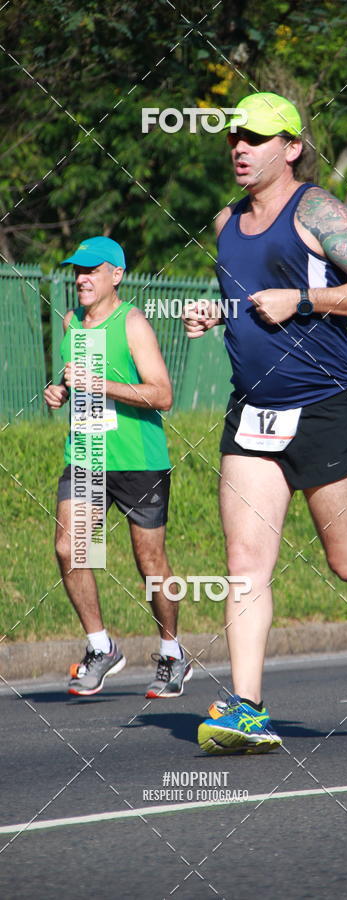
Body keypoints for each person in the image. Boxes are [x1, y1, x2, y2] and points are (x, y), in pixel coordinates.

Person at [183, 93, 347, 754]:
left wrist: (304, 298)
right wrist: (221, 314)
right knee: (245, 561)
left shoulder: (319, 212)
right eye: (233, 138)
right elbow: (250, 301)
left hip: (328, 407)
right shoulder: (223, 222)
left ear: (292, 147)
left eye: (256, 137)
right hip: (253, 414)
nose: (240, 148)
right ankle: (248, 707)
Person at [44, 235, 192, 698]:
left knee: (149, 562)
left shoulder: (132, 324)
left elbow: (162, 394)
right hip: (86, 454)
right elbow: (75, 380)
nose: (82, 279)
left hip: (138, 460)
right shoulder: (71, 323)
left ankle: (172, 653)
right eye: (77, 271)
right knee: (72, 549)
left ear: (116, 275)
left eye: (91, 271)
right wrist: (61, 391)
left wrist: (100, 383)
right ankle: (101, 646)